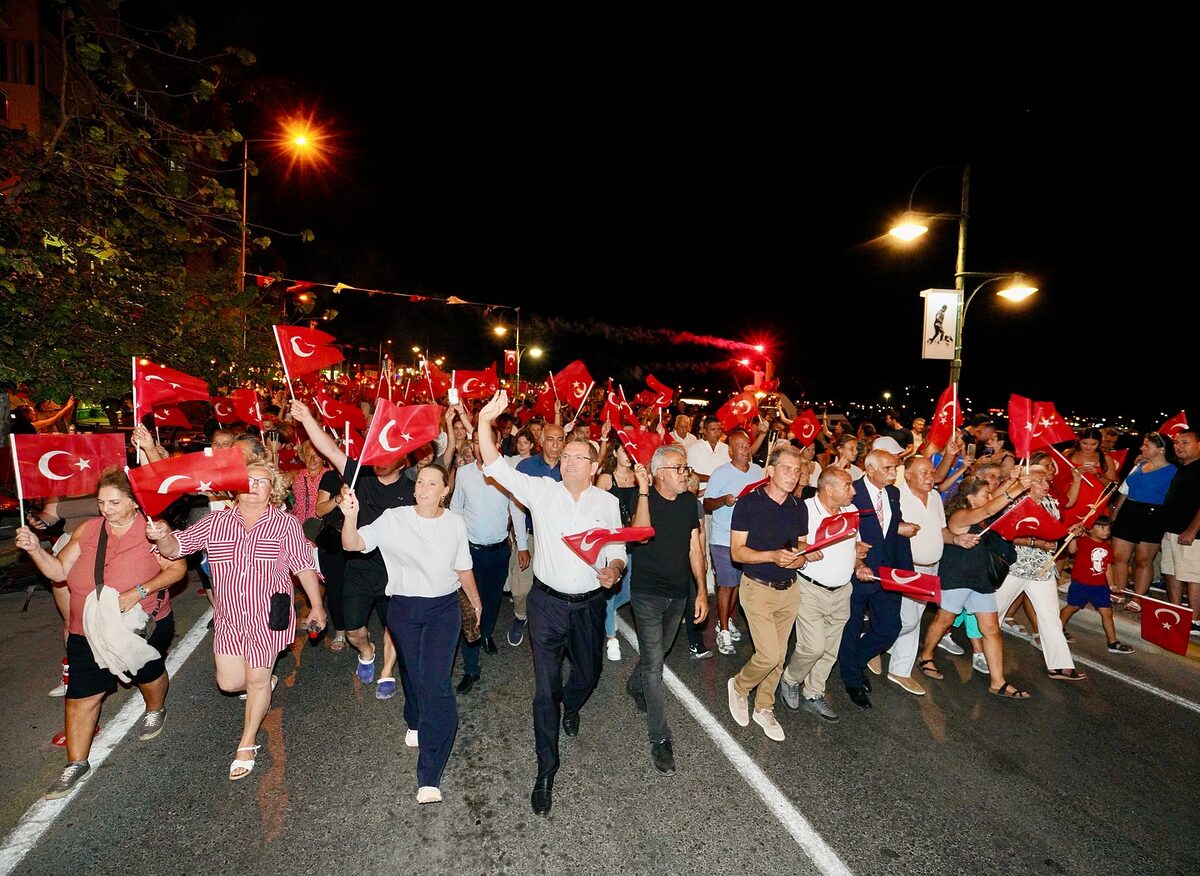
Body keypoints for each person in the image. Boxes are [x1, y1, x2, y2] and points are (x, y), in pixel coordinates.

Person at [477, 391, 626, 816]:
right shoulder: (542, 492)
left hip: (590, 605)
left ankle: (573, 704)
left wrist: (613, 570)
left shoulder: (608, 503)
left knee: (589, 672)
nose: (570, 462)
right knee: (545, 691)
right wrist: (486, 421)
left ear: (595, 466)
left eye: (580, 457)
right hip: (546, 605)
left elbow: (616, 549)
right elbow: (494, 466)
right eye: (567, 457)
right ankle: (546, 768)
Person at [15, 467, 185, 799]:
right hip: (87, 625)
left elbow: (177, 568)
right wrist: (36, 549)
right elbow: (60, 570)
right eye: (101, 501)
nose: (106, 509)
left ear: (134, 503)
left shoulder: (152, 531)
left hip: (139, 623)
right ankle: (76, 763)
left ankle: (154, 708)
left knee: (146, 673)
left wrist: (139, 590)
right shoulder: (89, 529)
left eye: (115, 502)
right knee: (81, 695)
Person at [149, 460, 325, 779]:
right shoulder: (215, 522)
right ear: (236, 486)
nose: (255, 486)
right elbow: (177, 548)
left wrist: (316, 606)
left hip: (270, 611)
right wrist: (162, 535)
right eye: (250, 480)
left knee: (255, 680)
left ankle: (246, 744)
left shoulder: (284, 524)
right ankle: (264, 682)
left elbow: (302, 566)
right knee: (229, 683)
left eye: (263, 482)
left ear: (274, 490)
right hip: (229, 614)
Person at [341, 463, 482, 804]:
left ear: (444, 490)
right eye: (420, 481)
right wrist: (350, 515)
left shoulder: (455, 523)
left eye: (432, 483)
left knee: (435, 683)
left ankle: (429, 774)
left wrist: (475, 601)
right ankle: (414, 717)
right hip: (403, 609)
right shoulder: (394, 518)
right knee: (412, 673)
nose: (423, 488)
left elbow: (462, 566)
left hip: (443, 610)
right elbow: (353, 544)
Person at [291, 399, 412, 700]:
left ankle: (386, 673)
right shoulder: (361, 475)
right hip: (358, 568)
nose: (382, 458)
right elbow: (331, 449)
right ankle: (367, 651)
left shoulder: (411, 490)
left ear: (403, 461)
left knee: (394, 627)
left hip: (394, 570)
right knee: (355, 629)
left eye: (391, 454)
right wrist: (307, 417)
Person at [726, 443, 819, 742]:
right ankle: (739, 687)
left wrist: (806, 555)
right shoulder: (748, 504)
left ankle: (764, 707)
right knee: (767, 655)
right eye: (787, 469)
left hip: (790, 590)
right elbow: (737, 553)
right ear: (770, 471)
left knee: (779, 658)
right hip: (757, 589)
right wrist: (772, 556)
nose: (794, 475)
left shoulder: (798, 507)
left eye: (797, 470)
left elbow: (801, 547)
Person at [625, 444, 707, 775]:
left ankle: (634, 685)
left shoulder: (689, 502)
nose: (686, 473)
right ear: (660, 474)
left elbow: (694, 547)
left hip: (679, 593)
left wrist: (701, 590)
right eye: (680, 468)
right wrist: (643, 490)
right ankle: (660, 739)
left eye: (686, 468)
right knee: (656, 666)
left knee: (657, 654)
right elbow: (640, 536)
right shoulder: (642, 499)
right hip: (647, 594)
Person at [915, 476, 1031, 699]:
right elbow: (989, 509)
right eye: (985, 494)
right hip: (957, 576)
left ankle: (998, 682)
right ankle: (926, 656)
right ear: (970, 498)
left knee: (991, 629)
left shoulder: (985, 514)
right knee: (944, 620)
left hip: (980, 579)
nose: (990, 497)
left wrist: (1013, 479)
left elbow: (992, 503)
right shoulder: (960, 516)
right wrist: (1017, 488)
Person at [776, 467, 863, 724]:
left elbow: (854, 546)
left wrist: (859, 560)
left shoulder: (852, 512)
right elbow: (784, 546)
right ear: (829, 489)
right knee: (813, 647)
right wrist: (802, 553)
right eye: (848, 486)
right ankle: (791, 679)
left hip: (842, 591)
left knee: (830, 650)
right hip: (811, 589)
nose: (854, 491)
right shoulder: (803, 511)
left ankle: (814, 693)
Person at [837, 448, 916, 710]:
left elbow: (894, 532)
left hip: (885, 573)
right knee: (851, 627)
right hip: (856, 572)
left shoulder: (893, 493)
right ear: (869, 470)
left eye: (895, 467)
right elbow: (838, 531)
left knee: (889, 627)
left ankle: (855, 661)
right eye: (888, 468)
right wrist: (853, 561)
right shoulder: (851, 492)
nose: (894, 473)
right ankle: (851, 680)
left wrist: (904, 573)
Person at [993, 466, 1088, 681]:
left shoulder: (1051, 503)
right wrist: (1034, 542)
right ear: (1027, 483)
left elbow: (1054, 533)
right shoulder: (1014, 503)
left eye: (1047, 482)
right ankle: (981, 652)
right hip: (1016, 566)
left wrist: (1070, 532)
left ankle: (1060, 664)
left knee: (1050, 615)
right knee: (995, 611)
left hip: (1042, 568)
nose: (1046, 486)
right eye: (1039, 481)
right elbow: (1002, 534)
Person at [872, 455, 945, 696]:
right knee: (908, 620)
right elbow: (880, 529)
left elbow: (941, 530)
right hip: (906, 569)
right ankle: (873, 640)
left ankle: (900, 670)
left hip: (931, 568)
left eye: (931, 472)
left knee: (915, 620)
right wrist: (898, 529)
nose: (929, 477)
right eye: (923, 472)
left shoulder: (935, 498)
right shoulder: (895, 494)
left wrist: (957, 539)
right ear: (909, 474)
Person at [450, 435, 515, 693]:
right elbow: (455, 509)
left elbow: (516, 509)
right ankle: (471, 668)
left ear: (497, 444)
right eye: (475, 441)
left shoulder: (506, 472)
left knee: (492, 600)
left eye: (485, 440)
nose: (479, 446)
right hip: (470, 553)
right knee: (470, 608)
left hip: (500, 551)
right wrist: (453, 548)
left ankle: (487, 633)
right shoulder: (463, 474)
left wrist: (521, 544)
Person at [703, 430, 764, 654]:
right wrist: (724, 500)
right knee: (727, 584)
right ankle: (724, 631)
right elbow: (707, 504)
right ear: (730, 450)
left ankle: (725, 620)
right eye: (740, 446)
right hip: (723, 537)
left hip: (747, 539)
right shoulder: (720, 473)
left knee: (738, 584)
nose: (745, 449)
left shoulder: (758, 471)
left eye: (747, 445)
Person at [506, 421, 566, 647]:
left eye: (560, 440)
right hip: (530, 537)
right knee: (520, 589)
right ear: (540, 442)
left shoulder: (569, 467)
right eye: (550, 439)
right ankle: (520, 617)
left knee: (556, 586)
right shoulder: (526, 467)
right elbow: (516, 506)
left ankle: (551, 622)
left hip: (559, 539)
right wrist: (522, 545)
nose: (555, 445)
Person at [594, 437, 647, 661]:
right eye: (623, 449)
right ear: (615, 453)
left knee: (627, 590)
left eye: (631, 449)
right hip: (611, 543)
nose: (628, 453)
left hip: (632, 540)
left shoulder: (640, 480)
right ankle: (611, 638)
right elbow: (593, 508)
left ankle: (603, 612)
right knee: (610, 590)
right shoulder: (606, 479)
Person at [1110, 432, 1176, 612]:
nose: (1142, 448)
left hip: (1152, 515)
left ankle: (1137, 599)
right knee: (1119, 556)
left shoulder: (1173, 472)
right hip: (1129, 511)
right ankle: (1119, 591)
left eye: (1147, 446)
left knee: (1143, 560)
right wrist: (1116, 511)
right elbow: (1126, 489)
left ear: (1161, 450)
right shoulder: (1139, 465)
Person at [1060, 516, 1134, 653]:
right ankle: (1058, 628)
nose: (1106, 531)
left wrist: (1111, 584)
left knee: (1107, 612)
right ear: (1090, 529)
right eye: (1101, 527)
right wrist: (1074, 536)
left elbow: (1107, 567)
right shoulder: (1082, 541)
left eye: (1108, 528)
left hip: (1100, 587)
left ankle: (1112, 643)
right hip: (1081, 584)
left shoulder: (1107, 547)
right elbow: (1071, 551)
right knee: (1073, 607)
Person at [1158, 429, 1200, 634]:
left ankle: (1194, 620)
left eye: (1185, 442)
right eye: (1176, 443)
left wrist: (1192, 530)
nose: (1179, 446)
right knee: (1171, 572)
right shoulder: (1183, 467)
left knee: (1193, 576)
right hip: (1171, 531)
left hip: (1192, 536)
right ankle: (1176, 613)